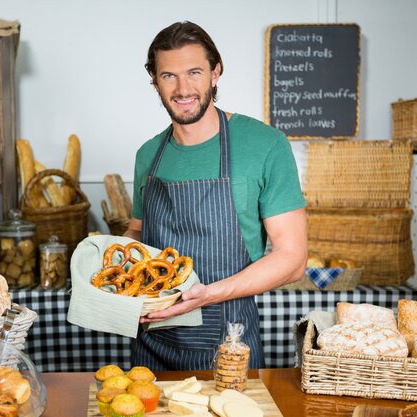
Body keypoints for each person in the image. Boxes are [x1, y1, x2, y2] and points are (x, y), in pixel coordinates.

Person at [124, 21, 308, 370]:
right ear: (154, 80)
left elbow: (293, 259)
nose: (183, 88)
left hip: (229, 344)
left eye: (195, 72)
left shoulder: (265, 145)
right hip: (150, 344)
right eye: (168, 76)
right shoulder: (148, 155)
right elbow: (136, 233)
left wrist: (207, 295)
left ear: (215, 72)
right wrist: (110, 265)